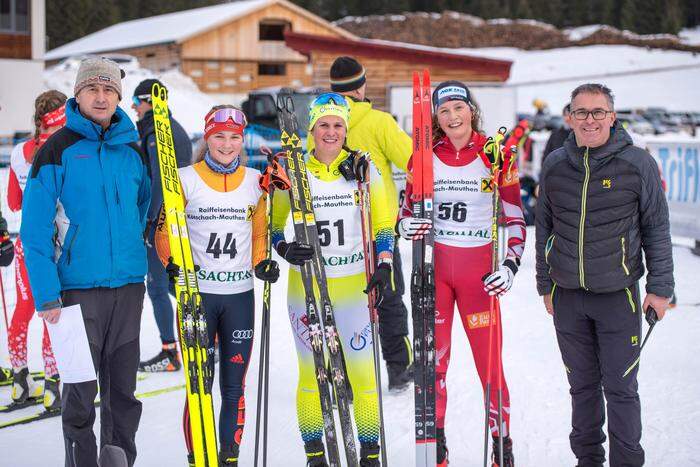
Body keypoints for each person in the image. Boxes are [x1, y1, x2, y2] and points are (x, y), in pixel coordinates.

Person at [21, 57, 151, 467]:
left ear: (118, 97)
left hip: (128, 288)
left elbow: (143, 206)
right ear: (77, 94)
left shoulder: (131, 149)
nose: (101, 96)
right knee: (79, 392)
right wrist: (46, 294)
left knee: (123, 396)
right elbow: (34, 229)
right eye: (92, 89)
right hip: (76, 292)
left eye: (108, 90)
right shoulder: (56, 150)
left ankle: (118, 461)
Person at [536, 83, 674, 467]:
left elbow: (657, 228)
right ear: (570, 117)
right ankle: (588, 461)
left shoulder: (636, 163)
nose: (590, 120)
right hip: (568, 297)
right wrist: (544, 284)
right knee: (581, 388)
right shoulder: (555, 164)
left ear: (612, 117)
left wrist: (660, 289)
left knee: (621, 388)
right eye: (581, 112)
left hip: (618, 296)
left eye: (598, 112)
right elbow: (543, 227)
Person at [397, 81, 526, 467]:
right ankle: (436, 443)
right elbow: (406, 212)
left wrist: (510, 265)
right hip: (435, 276)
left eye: (459, 107)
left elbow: (516, 218)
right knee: (433, 365)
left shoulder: (495, 154)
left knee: (490, 368)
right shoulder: (422, 158)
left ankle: (501, 445)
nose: (453, 116)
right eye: (444, 111)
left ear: (472, 109)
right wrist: (404, 226)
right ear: (434, 117)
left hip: (478, 279)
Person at [273, 93, 395, 466]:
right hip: (306, 286)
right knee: (311, 374)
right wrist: (284, 248)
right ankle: (315, 455)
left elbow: (383, 221)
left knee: (363, 375)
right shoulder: (292, 170)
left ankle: (370, 455)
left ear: (346, 129)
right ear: (310, 130)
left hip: (352, 286)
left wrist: (385, 262)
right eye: (323, 125)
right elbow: (275, 227)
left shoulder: (362, 167)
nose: (331, 132)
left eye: (338, 125)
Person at [153, 104, 279, 466]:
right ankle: (198, 459)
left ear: (243, 141)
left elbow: (257, 237)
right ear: (207, 138)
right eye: (219, 136)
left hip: (239, 298)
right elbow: (163, 234)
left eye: (234, 138)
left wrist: (262, 265)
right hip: (198, 297)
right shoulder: (184, 178)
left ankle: (229, 459)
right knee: (199, 389)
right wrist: (170, 264)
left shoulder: (257, 182)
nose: (227, 144)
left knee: (234, 388)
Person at [308, 56, 414, 390]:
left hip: (334, 232)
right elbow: (414, 162)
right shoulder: (380, 121)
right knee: (390, 297)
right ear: (362, 85)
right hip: (377, 227)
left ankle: (346, 378)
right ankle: (399, 368)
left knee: (342, 302)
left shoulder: (322, 122)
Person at [6, 90, 66, 410]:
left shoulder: (19, 152)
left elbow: (14, 203)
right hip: (56, 243)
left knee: (24, 309)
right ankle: (53, 385)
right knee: (52, 312)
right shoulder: (65, 147)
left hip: (26, 244)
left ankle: (20, 380)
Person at [132, 78, 192, 373]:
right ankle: (210, 336)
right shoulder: (168, 125)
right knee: (172, 284)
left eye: (136, 101)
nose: (132, 106)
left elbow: (159, 180)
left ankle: (170, 353)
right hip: (173, 218)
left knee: (158, 286)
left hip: (164, 221)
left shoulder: (158, 131)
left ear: (148, 101)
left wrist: (150, 221)